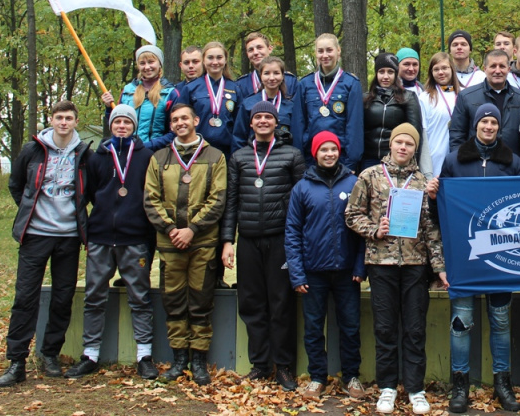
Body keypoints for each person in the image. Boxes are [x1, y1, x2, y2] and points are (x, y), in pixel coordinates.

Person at [345, 124, 447, 415]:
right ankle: (387, 387)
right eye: (399, 142)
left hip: (416, 266)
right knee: (385, 328)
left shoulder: (422, 182)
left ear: (415, 149)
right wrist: (374, 229)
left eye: (409, 144)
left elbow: (430, 229)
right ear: (390, 145)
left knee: (415, 329)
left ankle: (416, 389)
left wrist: (439, 267)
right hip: (381, 264)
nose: (403, 147)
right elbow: (351, 214)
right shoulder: (370, 176)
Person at [0, 101, 91, 387]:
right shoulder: (33, 149)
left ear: (76, 122)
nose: (63, 122)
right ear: (51, 119)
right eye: (59, 117)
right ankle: (16, 361)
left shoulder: (84, 153)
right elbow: (17, 185)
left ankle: (50, 354)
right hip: (36, 235)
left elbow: (91, 189)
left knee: (62, 298)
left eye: (69, 118)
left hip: (69, 237)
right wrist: (30, 211)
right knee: (25, 297)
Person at [438, 104, 520, 414]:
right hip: (464, 257)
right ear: (475, 125)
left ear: (499, 127)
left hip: (501, 256)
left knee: (501, 322)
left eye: (493, 122)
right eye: (483, 121)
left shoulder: (513, 163)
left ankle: (502, 382)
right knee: (461, 323)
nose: (488, 126)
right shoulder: (454, 161)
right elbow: (441, 211)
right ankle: (460, 384)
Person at [65, 105, 158, 380]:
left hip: (135, 238)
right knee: (94, 296)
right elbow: (92, 192)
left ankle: (144, 355)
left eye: (126, 122)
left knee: (140, 297)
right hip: (102, 237)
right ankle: (90, 354)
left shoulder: (146, 156)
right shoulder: (97, 157)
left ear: (133, 126)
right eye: (117, 121)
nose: (121, 126)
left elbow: (150, 193)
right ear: (111, 125)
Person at [222, 101, 306, 390]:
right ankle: (260, 364)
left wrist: (298, 243)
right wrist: (226, 241)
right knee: (251, 303)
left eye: (268, 117)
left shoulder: (292, 155)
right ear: (251, 122)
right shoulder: (239, 157)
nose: (262, 121)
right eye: (257, 117)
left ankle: (283, 366)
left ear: (276, 122)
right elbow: (230, 202)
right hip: (247, 239)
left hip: (280, 240)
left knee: (281, 303)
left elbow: (300, 204)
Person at [143, 103, 227, 385]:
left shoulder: (215, 157)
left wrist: (192, 229)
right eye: (175, 120)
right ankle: (179, 357)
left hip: (203, 243)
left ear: (196, 120)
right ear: (171, 125)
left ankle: (199, 360)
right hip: (169, 245)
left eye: (185, 118)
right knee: (174, 301)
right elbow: (150, 200)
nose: (180, 123)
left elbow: (218, 200)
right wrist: (170, 230)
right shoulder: (159, 158)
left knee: (201, 301)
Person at [285, 131, 366, 400]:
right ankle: (317, 376)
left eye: (333, 149)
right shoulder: (302, 188)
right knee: (313, 328)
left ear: (339, 152)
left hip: (346, 273)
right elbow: (293, 232)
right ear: (315, 154)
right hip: (313, 272)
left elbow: (362, 230)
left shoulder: (354, 183)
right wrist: (297, 274)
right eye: (324, 150)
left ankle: (352, 375)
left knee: (350, 326)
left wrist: (359, 267)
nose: (329, 154)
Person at [298, 33, 364, 169]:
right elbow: (299, 124)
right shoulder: (305, 84)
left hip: (342, 159)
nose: (325, 55)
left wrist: (350, 163)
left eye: (329, 50)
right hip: (312, 160)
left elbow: (354, 125)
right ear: (315, 53)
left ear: (338, 51)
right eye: (320, 51)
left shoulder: (351, 83)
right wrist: (300, 160)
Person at [101, 44, 178, 150]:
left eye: (151, 62)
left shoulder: (171, 93)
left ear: (160, 64)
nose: (147, 67)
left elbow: (174, 131)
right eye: (142, 63)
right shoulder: (127, 91)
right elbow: (116, 124)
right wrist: (109, 107)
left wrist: (147, 146)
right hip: (127, 151)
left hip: (156, 154)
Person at [450, 50, 520, 156]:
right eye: (493, 66)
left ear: (509, 69)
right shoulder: (467, 97)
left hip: (511, 164)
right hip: (476, 163)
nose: (497, 70)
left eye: (502, 66)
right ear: (485, 69)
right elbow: (457, 134)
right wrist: (459, 161)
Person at [362, 52, 423, 171]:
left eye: (390, 72)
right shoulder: (365, 98)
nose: (385, 76)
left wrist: (413, 162)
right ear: (376, 74)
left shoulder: (408, 97)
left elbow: (415, 133)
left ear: (396, 74)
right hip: (368, 159)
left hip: (395, 159)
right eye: (381, 72)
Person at [232, 55, 304, 151]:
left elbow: (296, 138)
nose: (271, 77)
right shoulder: (248, 104)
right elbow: (239, 137)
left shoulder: (291, 106)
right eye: (266, 73)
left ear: (283, 76)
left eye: (276, 73)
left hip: (283, 159)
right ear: (260, 75)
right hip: (254, 158)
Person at [181, 41, 240, 157]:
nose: (215, 62)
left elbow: (239, 124)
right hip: (196, 151)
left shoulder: (235, 89)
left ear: (225, 60)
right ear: (203, 60)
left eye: (219, 57)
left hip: (226, 152)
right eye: (210, 58)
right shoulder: (191, 88)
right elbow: (181, 119)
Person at [418, 52, 462, 177]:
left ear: (452, 69)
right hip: (435, 159)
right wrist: (427, 170)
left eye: (444, 68)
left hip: (459, 158)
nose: (440, 72)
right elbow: (423, 133)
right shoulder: (425, 98)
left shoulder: (463, 95)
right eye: (436, 69)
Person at [235, 32, 299, 97]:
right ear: (247, 54)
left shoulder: (290, 81)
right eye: (251, 50)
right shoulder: (241, 85)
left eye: (259, 47)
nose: (255, 52)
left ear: (270, 49)